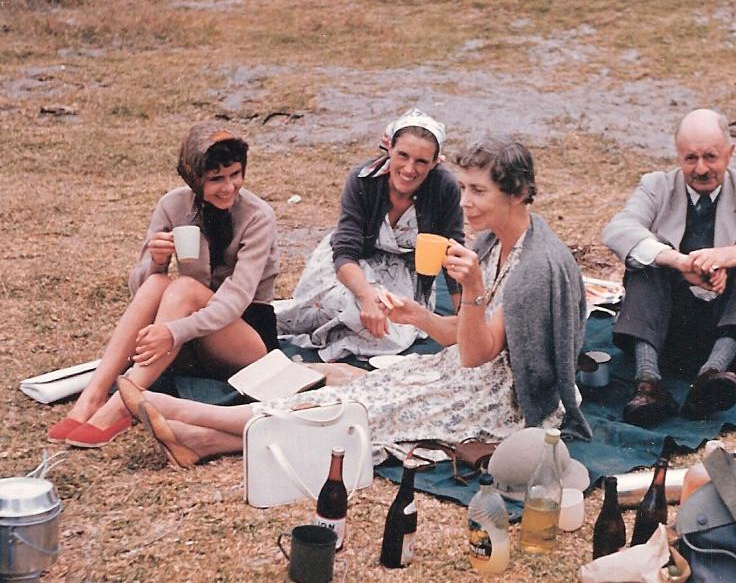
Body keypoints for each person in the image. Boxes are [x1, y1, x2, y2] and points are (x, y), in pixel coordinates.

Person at [116, 136, 592, 469]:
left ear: (519, 193)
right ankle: (202, 442)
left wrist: (470, 292)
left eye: (478, 191)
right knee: (363, 394)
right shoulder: (495, 243)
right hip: (466, 372)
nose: (464, 202)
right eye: (463, 188)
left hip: (500, 401)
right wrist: (421, 317)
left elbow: (478, 352)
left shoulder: (535, 267)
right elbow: (469, 340)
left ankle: (197, 416)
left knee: (370, 411)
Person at [46, 123, 280, 447]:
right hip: (189, 335)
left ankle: (120, 406)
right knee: (158, 282)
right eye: (216, 179)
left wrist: (173, 331)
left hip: (245, 339)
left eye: (235, 174)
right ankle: (94, 395)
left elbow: (236, 299)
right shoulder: (173, 205)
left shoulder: (258, 216)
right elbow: (141, 288)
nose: (228, 187)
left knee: (183, 288)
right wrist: (155, 260)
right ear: (195, 179)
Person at [602, 109, 736, 427]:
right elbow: (618, 229)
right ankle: (648, 383)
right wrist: (677, 261)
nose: (701, 169)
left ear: (730, 154)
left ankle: (712, 374)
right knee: (645, 258)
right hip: (668, 329)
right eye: (690, 158)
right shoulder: (656, 186)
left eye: (711, 157)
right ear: (678, 156)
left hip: (732, 328)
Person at [276, 109, 465, 361]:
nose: (410, 169)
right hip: (353, 264)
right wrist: (366, 297)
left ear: (435, 163)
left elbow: (453, 252)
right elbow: (345, 251)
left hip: (403, 269)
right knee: (335, 306)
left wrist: (465, 320)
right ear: (390, 150)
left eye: (421, 161)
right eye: (403, 156)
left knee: (392, 330)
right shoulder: (363, 180)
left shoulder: (444, 188)